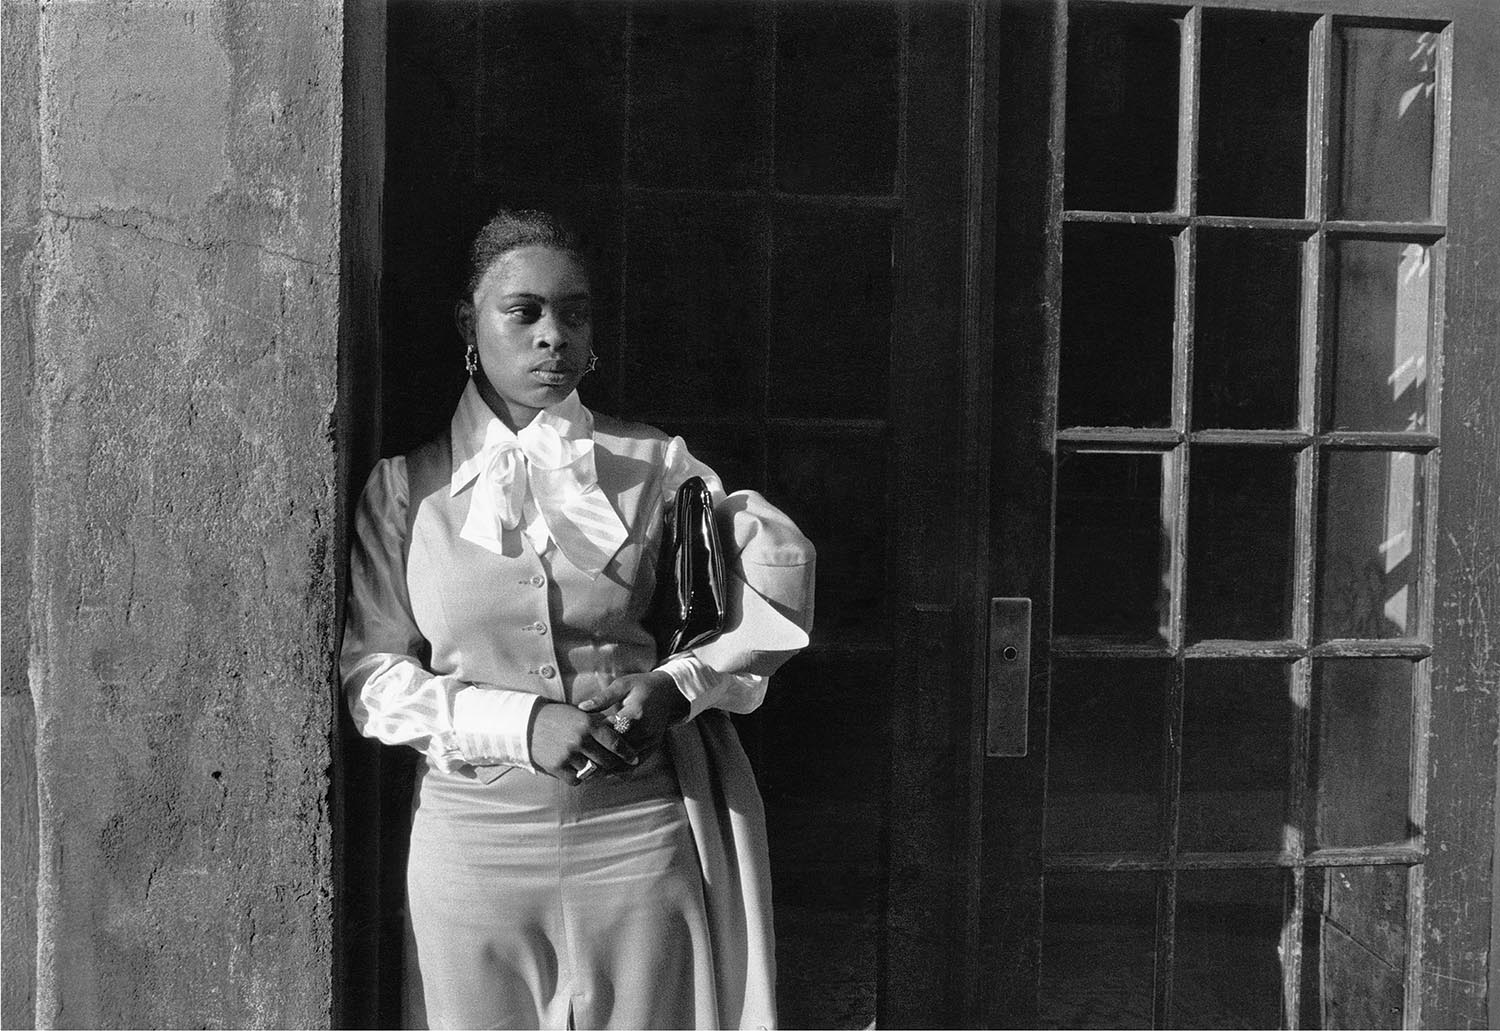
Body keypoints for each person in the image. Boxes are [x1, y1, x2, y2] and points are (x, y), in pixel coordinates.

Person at [340, 207, 815, 1030]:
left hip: (637, 838)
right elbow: (372, 679)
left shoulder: (659, 466)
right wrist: (522, 723)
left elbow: (769, 596)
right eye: (523, 311)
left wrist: (676, 685)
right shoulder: (403, 489)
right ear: (469, 322)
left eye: (574, 312)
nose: (552, 335)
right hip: (474, 853)